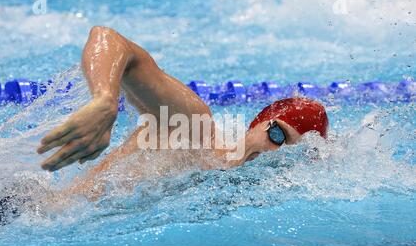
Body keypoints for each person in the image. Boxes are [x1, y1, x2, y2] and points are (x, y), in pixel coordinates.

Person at [37, 26, 329, 199]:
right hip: (22, 213)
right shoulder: (193, 129)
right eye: (277, 134)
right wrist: (105, 99)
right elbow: (109, 39)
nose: (274, 154)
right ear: (259, 122)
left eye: (290, 155)